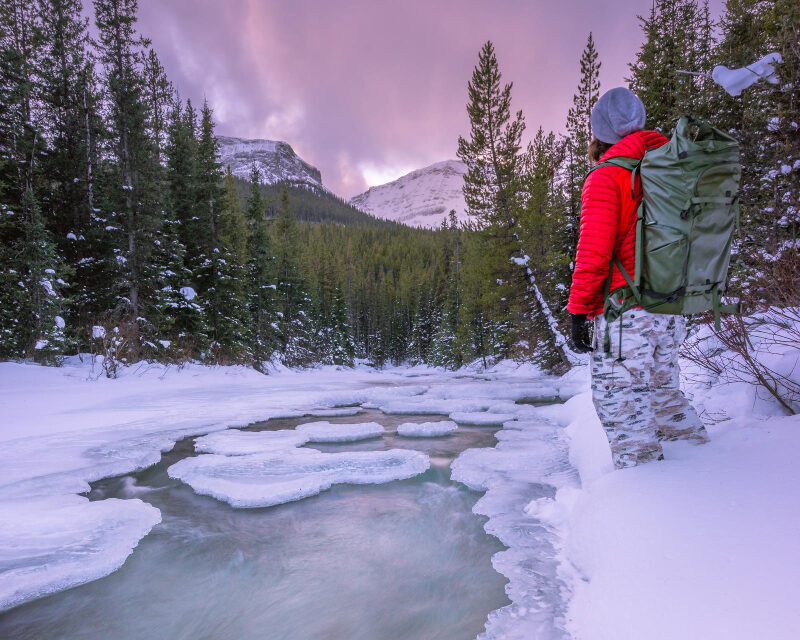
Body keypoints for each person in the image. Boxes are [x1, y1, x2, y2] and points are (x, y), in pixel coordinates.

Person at [567, 87, 709, 469]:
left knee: (620, 399)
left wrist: (579, 310)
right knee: (663, 391)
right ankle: (704, 464)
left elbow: (594, 250)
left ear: (601, 131)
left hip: (627, 308)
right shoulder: (671, 168)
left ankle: (643, 497)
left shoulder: (608, 175)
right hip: (669, 302)